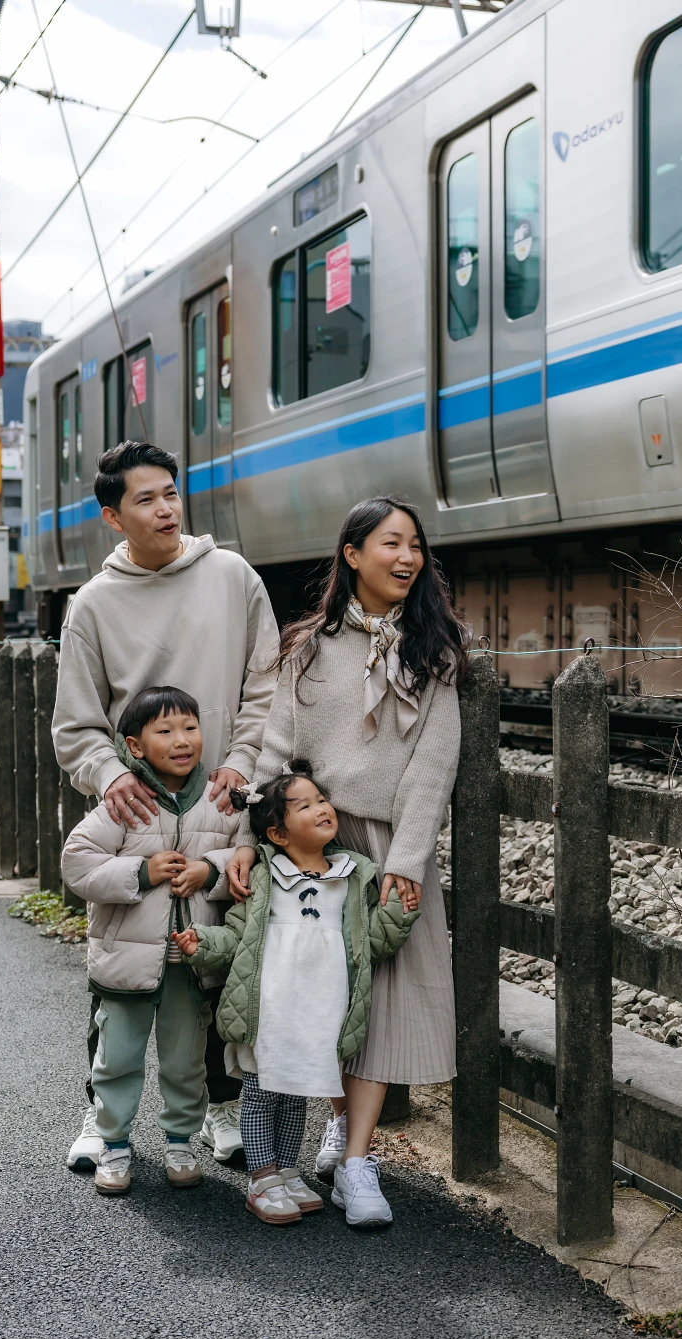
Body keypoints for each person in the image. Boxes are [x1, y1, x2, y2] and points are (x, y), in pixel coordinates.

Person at [225, 495, 469, 1228]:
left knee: (385, 1004)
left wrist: (409, 859)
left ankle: (357, 1161)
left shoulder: (435, 652)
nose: (407, 558)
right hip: (313, 847)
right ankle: (331, 1128)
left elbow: (435, 765)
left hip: (389, 856)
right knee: (320, 998)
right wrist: (246, 840)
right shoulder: (306, 647)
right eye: (391, 543)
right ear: (352, 554)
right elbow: (273, 753)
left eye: (416, 546)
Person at [53, 441, 278, 1172]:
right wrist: (102, 772)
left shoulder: (232, 577)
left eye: (172, 493)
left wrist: (243, 765)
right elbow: (77, 723)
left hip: (223, 801)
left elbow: (265, 688)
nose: (166, 509)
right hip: (135, 814)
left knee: (215, 962)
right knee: (119, 967)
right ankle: (100, 1111)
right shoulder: (92, 605)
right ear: (113, 516)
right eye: (146, 499)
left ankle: (213, 1109)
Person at [173, 760, 418, 1225]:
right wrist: (200, 944)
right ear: (279, 835)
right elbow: (236, 936)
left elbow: (374, 944)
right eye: (304, 805)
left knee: (297, 1094)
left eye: (322, 800)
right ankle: (261, 1176)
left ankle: (287, 1169)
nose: (322, 808)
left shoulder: (353, 877)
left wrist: (399, 914)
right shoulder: (265, 880)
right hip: (269, 1012)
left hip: (321, 1012)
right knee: (264, 1092)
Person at [60, 686, 242, 1195]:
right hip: (127, 963)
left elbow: (249, 860)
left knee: (186, 1058)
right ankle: (114, 1143)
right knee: (116, 1057)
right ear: (135, 747)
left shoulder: (219, 802)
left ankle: (180, 1140)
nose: (182, 740)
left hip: (192, 958)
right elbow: (77, 863)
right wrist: (140, 871)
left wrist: (211, 872)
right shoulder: (124, 805)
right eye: (165, 731)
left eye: (190, 728)